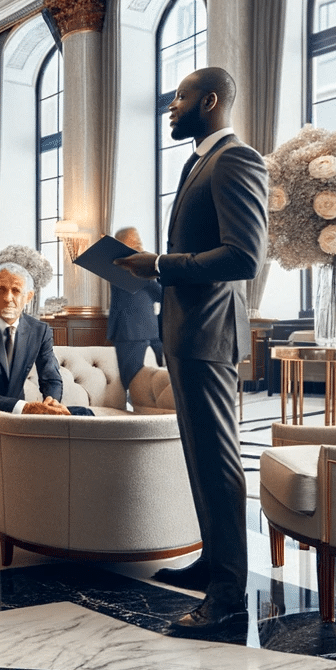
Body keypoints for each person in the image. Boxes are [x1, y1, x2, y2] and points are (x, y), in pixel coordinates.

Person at [114, 67, 267, 634]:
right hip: (183, 330)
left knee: (218, 459)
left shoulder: (236, 159)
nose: (171, 107)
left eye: (179, 98)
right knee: (198, 456)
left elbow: (243, 258)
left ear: (211, 100)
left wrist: (157, 264)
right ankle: (212, 564)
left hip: (209, 332)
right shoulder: (196, 162)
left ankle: (228, 594)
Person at [0, 263, 73, 426]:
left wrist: (51, 403)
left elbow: (51, 378)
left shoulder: (40, 331)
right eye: (1, 289)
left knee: (85, 417)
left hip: (18, 418)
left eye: (15, 290)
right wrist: (25, 408)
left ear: (28, 296)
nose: (7, 298)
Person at [106, 226, 166, 399]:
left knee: (162, 371)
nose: (139, 242)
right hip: (130, 331)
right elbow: (159, 293)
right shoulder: (126, 266)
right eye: (134, 239)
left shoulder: (120, 266)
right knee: (131, 376)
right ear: (122, 243)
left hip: (147, 328)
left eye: (139, 238)